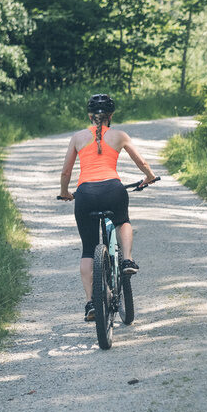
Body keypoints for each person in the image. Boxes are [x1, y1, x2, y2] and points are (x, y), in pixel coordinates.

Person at [59, 94, 157, 321]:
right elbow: (141, 162)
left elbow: (65, 172)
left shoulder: (77, 137)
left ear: (89, 115)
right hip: (113, 191)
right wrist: (149, 177)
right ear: (111, 115)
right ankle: (127, 260)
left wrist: (65, 193)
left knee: (87, 249)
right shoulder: (119, 135)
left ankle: (91, 302)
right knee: (123, 221)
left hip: (85, 195)